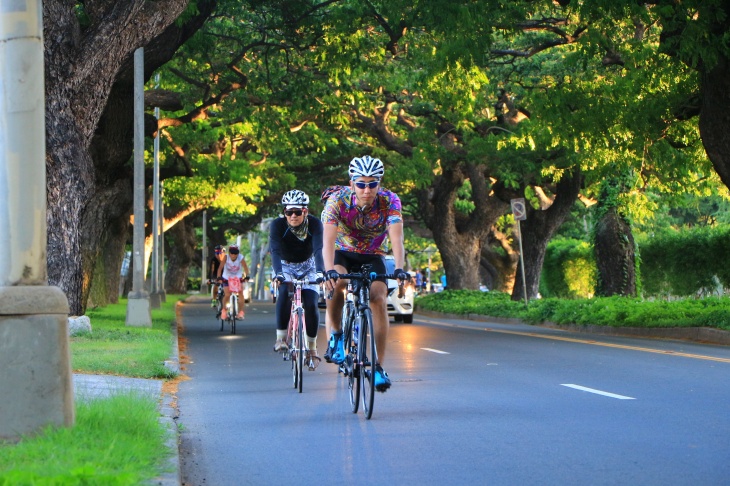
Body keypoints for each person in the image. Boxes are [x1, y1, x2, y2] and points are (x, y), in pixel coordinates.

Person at [321, 155, 409, 392]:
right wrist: (329, 270)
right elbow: (327, 242)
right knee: (337, 282)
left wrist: (400, 269)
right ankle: (337, 335)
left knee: (378, 298)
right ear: (352, 184)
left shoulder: (390, 200)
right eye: (361, 184)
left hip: (373, 254)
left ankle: (378, 367)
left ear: (379, 184)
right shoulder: (337, 201)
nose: (367, 190)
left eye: (372, 184)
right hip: (342, 252)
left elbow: (397, 238)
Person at [269, 190, 325, 367]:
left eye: (297, 212)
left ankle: (312, 348)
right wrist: (278, 273)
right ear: (284, 212)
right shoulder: (277, 225)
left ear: (305, 211)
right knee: (285, 291)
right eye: (289, 212)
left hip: (309, 265)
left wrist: (321, 272)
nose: (293, 216)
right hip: (284, 266)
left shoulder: (315, 224)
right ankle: (281, 338)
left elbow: (318, 250)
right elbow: (275, 251)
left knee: (310, 302)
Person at [217, 244, 250, 320]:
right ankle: (224, 310)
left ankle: (241, 312)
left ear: (238, 253)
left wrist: (247, 276)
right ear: (229, 253)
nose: (233, 255)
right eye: (232, 253)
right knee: (227, 294)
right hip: (227, 277)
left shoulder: (240, 258)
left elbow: (245, 267)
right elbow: (220, 268)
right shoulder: (226, 257)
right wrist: (219, 277)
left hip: (237, 277)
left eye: (235, 253)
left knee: (241, 293)